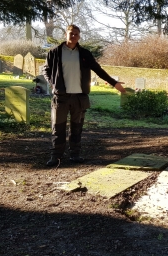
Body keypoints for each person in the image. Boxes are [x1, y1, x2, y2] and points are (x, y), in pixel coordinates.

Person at [42, 24, 126, 167]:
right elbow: (46, 70)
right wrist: (52, 83)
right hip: (61, 97)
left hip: (79, 98)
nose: (73, 36)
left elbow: (98, 70)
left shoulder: (85, 54)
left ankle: (75, 155)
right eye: (71, 33)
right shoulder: (54, 52)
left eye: (76, 34)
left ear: (79, 36)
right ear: (65, 34)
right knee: (58, 128)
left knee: (77, 128)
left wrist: (114, 83)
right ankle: (56, 156)